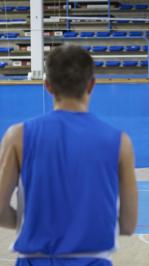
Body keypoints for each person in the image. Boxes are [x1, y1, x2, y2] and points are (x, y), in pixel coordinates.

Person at [0, 45, 138, 266]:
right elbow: (129, 224)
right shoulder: (121, 142)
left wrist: (32, 224)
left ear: (47, 85)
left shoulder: (16, 136)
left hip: (34, 260)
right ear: (92, 84)